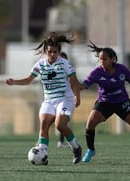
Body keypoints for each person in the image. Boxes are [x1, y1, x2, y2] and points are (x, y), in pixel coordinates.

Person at [5, 32, 82, 164]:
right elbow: (29, 79)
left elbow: (74, 82)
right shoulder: (40, 64)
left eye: (55, 52)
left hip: (66, 100)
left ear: (59, 52)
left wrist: (77, 96)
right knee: (44, 123)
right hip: (49, 101)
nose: (52, 54)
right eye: (50, 52)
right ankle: (43, 154)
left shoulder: (64, 64)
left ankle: (76, 148)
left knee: (60, 125)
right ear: (45, 51)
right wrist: (14, 82)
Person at [80, 41, 130, 164]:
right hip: (105, 102)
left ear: (112, 59)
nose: (102, 62)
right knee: (90, 123)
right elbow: (84, 85)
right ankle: (91, 150)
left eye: (104, 59)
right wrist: (75, 87)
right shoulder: (97, 72)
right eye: (100, 59)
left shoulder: (122, 69)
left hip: (122, 101)